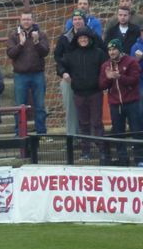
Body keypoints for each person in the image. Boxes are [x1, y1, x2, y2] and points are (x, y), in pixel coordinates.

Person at [61, 28, 109, 161]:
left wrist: (104, 83)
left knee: (97, 122)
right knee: (83, 124)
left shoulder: (98, 53)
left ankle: (102, 150)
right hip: (79, 93)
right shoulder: (71, 54)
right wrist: (63, 73)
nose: (83, 40)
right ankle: (85, 152)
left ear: (89, 39)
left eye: (85, 38)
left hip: (95, 93)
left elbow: (106, 67)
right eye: (80, 38)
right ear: (77, 40)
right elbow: (61, 65)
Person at [98, 39, 142, 164]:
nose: (111, 52)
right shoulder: (105, 66)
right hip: (115, 104)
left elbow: (134, 80)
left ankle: (139, 158)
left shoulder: (131, 62)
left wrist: (119, 77)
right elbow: (101, 85)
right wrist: (108, 78)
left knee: (136, 130)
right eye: (110, 50)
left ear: (120, 49)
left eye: (114, 49)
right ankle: (123, 158)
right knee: (118, 132)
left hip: (132, 102)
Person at [6, 12, 49, 136]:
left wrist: (36, 42)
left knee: (40, 106)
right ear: (20, 20)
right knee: (20, 106)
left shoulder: (41, 35)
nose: (26, 21)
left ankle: (41, 133)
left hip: (38, 74)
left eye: (28, 19)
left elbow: (45, 52)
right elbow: (10, 53)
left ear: (32, 20)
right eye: (24, 19)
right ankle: (19, 133)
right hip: (20, 75)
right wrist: (21, 44)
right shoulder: (14, 35)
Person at [55, 10, 90, 136]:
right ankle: (72, 138)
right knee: (71, 110)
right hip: (69, 79)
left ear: (84, 20)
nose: (77, 21)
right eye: (75, 19)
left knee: (89, 110)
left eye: (79, 19)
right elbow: (58, 58)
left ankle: (89, 138)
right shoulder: (64, 38)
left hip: (88, 79)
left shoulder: (91, 36)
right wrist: (63, 73)